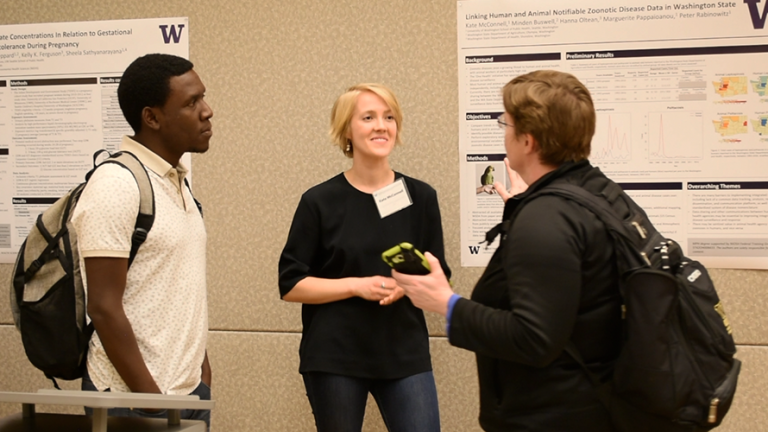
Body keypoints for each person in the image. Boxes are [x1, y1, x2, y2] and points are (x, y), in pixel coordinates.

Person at [393, 70, 624, 432]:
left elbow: (533, 339)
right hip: (596, 404)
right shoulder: (601, 194)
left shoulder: (546, 218)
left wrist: (445, 303)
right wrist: (522, 205)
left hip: (554, 415)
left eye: (507, 124)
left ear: (527, 141)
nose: (504, 134)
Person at [278, 83, 452, 432]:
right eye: (368, 117)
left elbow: (440, 274)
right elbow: (291, 284)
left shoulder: (420, 196)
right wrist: (356, 286)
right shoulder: (319, 201)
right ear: (346, 130)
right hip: (335, 354)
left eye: (389, 117)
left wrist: (405, 287)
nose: (381, 125)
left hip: (404, 351)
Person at [72, 53, 213, 428]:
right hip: (133, 400)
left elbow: (178, 289)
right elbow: (102, 306)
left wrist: (202, 376)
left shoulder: (174, 182)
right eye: (191, 102)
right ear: (151, 118)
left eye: (203, 98)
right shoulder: (116, 184)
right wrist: (151, 401)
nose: (207, 111)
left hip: (187, 393)